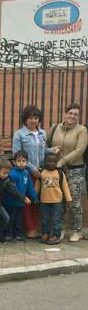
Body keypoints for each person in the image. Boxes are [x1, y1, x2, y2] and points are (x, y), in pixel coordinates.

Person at [12, 105, 58, 239]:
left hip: (42, 171)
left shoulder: (42, 133)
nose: (33, 120)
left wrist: (51, 150)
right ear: (25, 119)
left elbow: (43, 151)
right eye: (30, 118)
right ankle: (30, 228)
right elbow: (16, 154)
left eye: (36, 118)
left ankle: (38, 227)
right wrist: (31, 168)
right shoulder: (19, 134)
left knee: (39, 201)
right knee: (27, 201)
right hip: (26, 172)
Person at [46, 103, 88, 242]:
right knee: (60, 200)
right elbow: (46, 144)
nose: (72, 116)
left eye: (76, 114)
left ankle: (77, 230)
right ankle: (60, 229)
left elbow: (80, 150)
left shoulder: (81, 130)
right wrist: (52, 152)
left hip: (75, 169)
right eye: (70, 113)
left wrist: (62, 161)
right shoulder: (55, 128)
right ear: (64, 113)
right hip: (57, 170)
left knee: (74, 201)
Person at [35, 153, 72, 245]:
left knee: (56, 219)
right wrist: (34, 197)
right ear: (45, 162)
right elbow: (37, 186)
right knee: (45, 219)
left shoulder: (60, 173)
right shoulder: (41, 173)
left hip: (57, 201)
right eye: (49, 161)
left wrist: (68, 199)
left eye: (54, 162)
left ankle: (56, 236)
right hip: (44, 201)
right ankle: (45, 234)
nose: (51, 163)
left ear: (57, 163)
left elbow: (65, 187)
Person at [3, 151, 39, 242]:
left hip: (21, 202)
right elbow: (13, 190)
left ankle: (17, 234)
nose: (21, 163)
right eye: (19, 161)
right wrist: (22, 198)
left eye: (23, 161)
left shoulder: (26, 173)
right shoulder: (12, 174)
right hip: (11, 202)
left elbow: (30, 186)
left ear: (27, 162)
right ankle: (8, 234)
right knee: (10, 219)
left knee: (18, 219)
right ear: (14, 162)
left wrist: (34, 196)